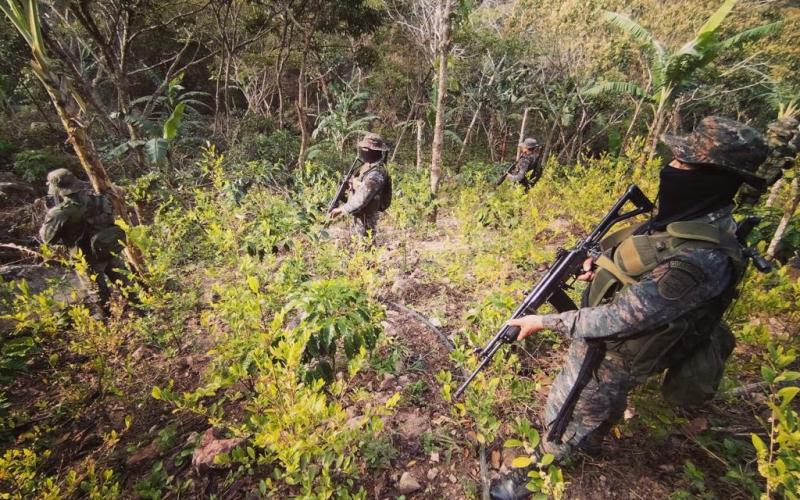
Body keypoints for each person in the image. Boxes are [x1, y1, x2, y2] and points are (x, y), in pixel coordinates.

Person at [490, 117, 770, 500]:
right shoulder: (690, 219)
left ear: (713, 178)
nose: (671, 169)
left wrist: (541, 321)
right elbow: (646, 254)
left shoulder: (700, 257)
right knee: (588, 405)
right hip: (616, 335)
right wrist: (601, 264)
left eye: (683, 163)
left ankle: (539, 469)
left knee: (569, 408)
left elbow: (617, 320)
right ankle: (586, 436)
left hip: (617, 352)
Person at [39, 168, 128, 315]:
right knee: (127, 285)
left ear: (59, 190)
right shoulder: (100, 199)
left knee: (99, 296)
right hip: (109, 249)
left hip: (87, 258)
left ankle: (108, 326)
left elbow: (47, 239)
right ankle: (145, 314)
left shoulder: (60, 212)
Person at [329, 133, 392, 242]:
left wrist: (341, 209)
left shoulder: (376, 173)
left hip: (366, 215)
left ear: (372, 151)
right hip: (360, 213)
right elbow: (360, 184)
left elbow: (363, 197)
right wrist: (352, 183)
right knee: (358, 242)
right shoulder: (367, 166)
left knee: (365, 243)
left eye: (365, 149)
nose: (362, 151)